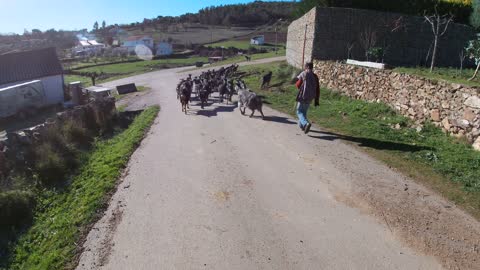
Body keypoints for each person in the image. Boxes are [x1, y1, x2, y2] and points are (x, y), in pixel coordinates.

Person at [295, 62, 320, 134]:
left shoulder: (303, 73)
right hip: (311, 97)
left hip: (303, 96)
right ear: (312, 67)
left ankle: (306, 124)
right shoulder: (315, 76)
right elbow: (317, 88)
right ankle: (303, 127)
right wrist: (316, 100)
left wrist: (298, 83)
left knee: (299, 111)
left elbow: (298, 85)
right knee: (304, 112)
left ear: (306, 67)